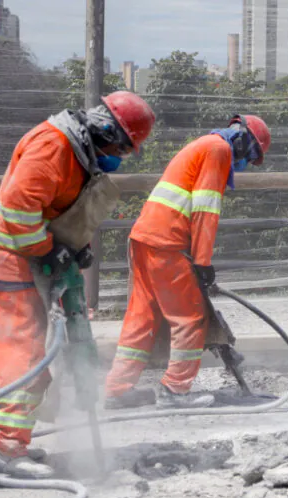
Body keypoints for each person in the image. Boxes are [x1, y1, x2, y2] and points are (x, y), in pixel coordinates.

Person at [0, 91, 156, 478]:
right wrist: (46, 251)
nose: (120, 157)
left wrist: (76, 247)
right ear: (106, 130)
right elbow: (19, 208)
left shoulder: (77, 150)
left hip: (19, 259)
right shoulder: (53, 145)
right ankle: (4, 447)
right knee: (26, 357)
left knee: (7, 358)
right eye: (122, 148)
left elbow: (58, 206)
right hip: (10, 260)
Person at [104, 114, 272, 409]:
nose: (246, 163)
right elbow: (206, 208)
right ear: (245, 141)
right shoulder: (218, 150)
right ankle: (175, 391)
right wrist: (203, 262)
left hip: (145, 237)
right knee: (190, 317)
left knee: (141, 318)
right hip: (168, 243)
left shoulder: (203, 145)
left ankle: (117, 389)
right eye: (252, 156)